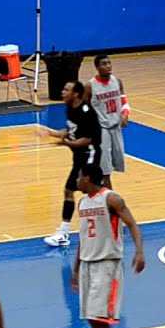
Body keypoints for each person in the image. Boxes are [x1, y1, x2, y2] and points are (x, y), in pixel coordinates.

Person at [72, 163, 146, 328]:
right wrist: (75, 268)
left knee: (99, 317)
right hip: (87, 264)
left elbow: (132, 224)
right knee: (91, 318)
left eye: (79, 176)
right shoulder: (82, 203)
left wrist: (139, 252)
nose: (76, 180)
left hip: (106, 264)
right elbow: (83, 238)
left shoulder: (112, 199)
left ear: (87, 179)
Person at [41, 80, 101, 247]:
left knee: (91, 192)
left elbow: (87, 139)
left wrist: (66, 143)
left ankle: (107, 223)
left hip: (89, 155)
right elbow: (70, 130)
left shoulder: (86, 112)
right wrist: (51, 133)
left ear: (76, 94)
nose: (62, 92)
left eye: (66, 90)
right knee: (70, 191)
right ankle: (64, 233)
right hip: (78, 156)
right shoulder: (70, 108)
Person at [86, 54, 129, 188]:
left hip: (116, 126)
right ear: (97, 67)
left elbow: (124, 101)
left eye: (109, 63)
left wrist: (125, 114)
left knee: (117, 162)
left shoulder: (117, 81)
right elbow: (84, 108)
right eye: (104, 64)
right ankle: (108, 196)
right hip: (101, 129)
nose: (108, 66)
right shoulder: (90, 86)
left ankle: (95, 188)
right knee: (105, 169)